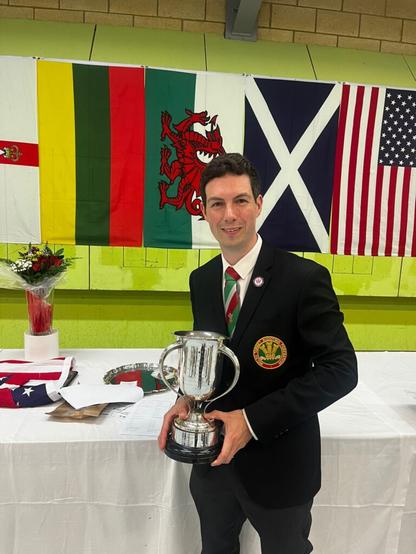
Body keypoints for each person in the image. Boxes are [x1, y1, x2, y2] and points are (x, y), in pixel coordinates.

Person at [158, 153, 358, 554]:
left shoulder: (303, 279)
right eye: (217, 203)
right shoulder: (201, 280)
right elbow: (215, 358)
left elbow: (341, 370)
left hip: (280, 463)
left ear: (259, 203)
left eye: (240, 201)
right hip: (214, 464)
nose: (229, 215)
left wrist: (250, 422)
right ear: (204, 210)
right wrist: (187, 397)